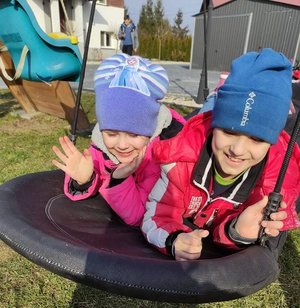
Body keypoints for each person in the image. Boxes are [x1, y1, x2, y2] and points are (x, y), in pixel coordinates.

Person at [142, 48, 300, 260]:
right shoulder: (181, 158)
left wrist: (237, 232)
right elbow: (159, 212)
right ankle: (213, 102)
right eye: (229, 131)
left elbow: (256, 235)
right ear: (215, 126)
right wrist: (174, 239)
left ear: (270, 143)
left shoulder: (274, 184)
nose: (237, 150)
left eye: (257, 139)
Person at [52, 54, 185, 227]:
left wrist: (119, 180)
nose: (122, 145)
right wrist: (85, 180)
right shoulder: (101, 150)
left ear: (151, 128)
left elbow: (140, 216)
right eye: (111, 134)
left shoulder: (160, 158)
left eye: (134, 134)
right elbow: (97, 177)